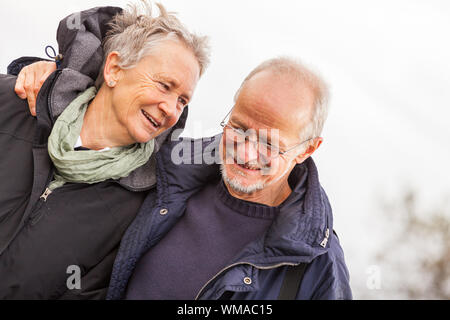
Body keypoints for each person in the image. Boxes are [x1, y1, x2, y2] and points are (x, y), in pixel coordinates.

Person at [19, 56, 352, 299]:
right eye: (238, 128)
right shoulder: (167, 171)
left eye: (269, 144)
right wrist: (47, 74)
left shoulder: (316, 264)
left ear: (308, 149)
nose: (245, 153)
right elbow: (106, 111)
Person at [0, 1, 209, 299]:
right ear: (113, 69)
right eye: (164, 85)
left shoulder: (139, 209)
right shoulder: (11, 102)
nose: (171, 110)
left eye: (182, 100)